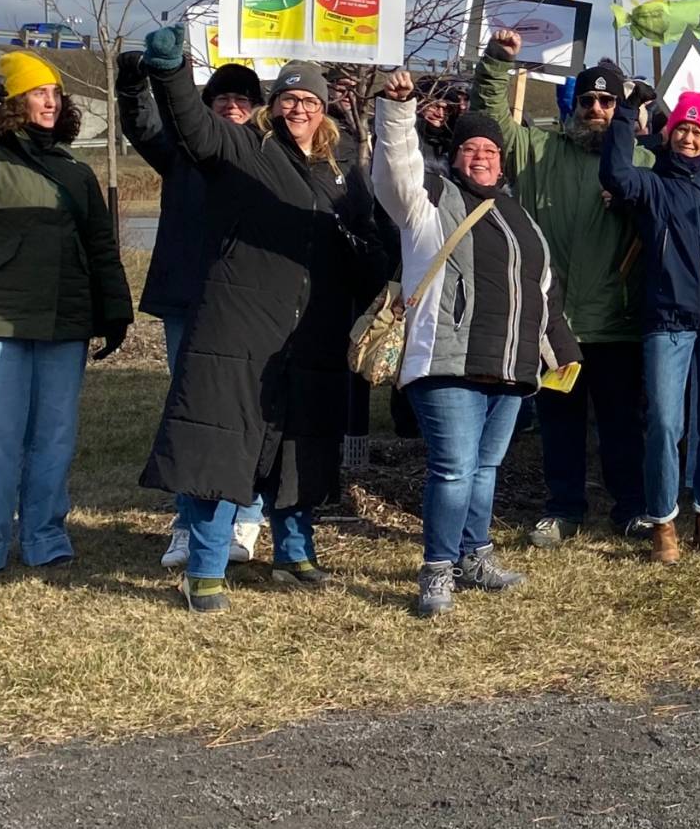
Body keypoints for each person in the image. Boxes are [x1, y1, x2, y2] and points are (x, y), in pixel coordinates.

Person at [136, 42, 390, 612]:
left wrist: (377, 268)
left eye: (308, 100)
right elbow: (194, 128)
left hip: (313, 334)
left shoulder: (341, 169)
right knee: (223, 447)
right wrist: (172, 72)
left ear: (323, 108)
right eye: (287, 99)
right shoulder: (247, 148)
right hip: (238, 330)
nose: (298, 109)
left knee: (299, 446)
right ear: (271, 106)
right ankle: (204, 568)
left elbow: (369, 239)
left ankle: (294, 554)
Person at [371, 67, 582, 617]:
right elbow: (396, 171)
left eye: (490, 148)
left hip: (511, 368)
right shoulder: (430, 201)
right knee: (453, 468)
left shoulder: (522, 219)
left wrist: (563, 351)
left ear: (502, 161)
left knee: (485, 469)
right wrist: (397, 113)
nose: (481, 156)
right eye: (470, 148)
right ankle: (438, 568)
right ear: (455, 154)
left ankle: (474, 556)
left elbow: (544, 293)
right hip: (448, 364)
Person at [0, 50, 132, 582]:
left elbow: (101, 245)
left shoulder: (75, 169)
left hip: (63, 321)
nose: (49, 101)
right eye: (36, 92)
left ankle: (45, 535)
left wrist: (114, 311)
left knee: (54, 437)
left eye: (54, 92)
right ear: (12, 102)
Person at [473, 42, 649, 546]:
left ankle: (631, 507)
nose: (596, 110)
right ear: (573, 106)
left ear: (620, 110)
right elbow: (489, 118)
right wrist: (496, 63)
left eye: (607, 103)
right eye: (588, 102)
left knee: (620, 422)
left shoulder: (638, 161)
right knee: (560, 422)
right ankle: (564, 507)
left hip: (615, 320)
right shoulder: (537, 151)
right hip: (553, 323)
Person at [117, 55, 270, 568]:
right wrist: (133, 80)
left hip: (248, 303)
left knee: (249, 408)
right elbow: (142, 124)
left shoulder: (268, 155)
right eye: (222, 98)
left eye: (243, 99)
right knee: (189, 410)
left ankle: (246, 515)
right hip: (188, 296)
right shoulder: (182, 150)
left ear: (256, 109)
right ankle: (186, 524)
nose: (232, 106)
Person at [601, 91, 700, 563]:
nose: (689, 138)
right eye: (682, 130)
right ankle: (663, 521)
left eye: (699, 131)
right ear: (669, 135)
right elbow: (614, 173)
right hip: (668, 321)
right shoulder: (652, 185)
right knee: (665, 423)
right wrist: (626, 116)